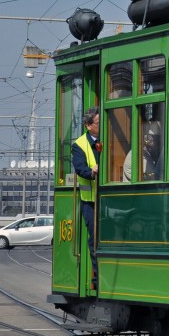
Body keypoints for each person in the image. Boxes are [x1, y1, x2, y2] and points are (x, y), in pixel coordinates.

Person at [71, 108, 101, 290]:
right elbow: (80, 168)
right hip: (90, 200)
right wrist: (92, 171)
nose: (101, 126)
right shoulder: (79, 144)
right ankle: (96, 278)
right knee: (94, 238)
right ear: (88, 126)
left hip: (106, 198)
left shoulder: (108, 139)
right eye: (98, 123)